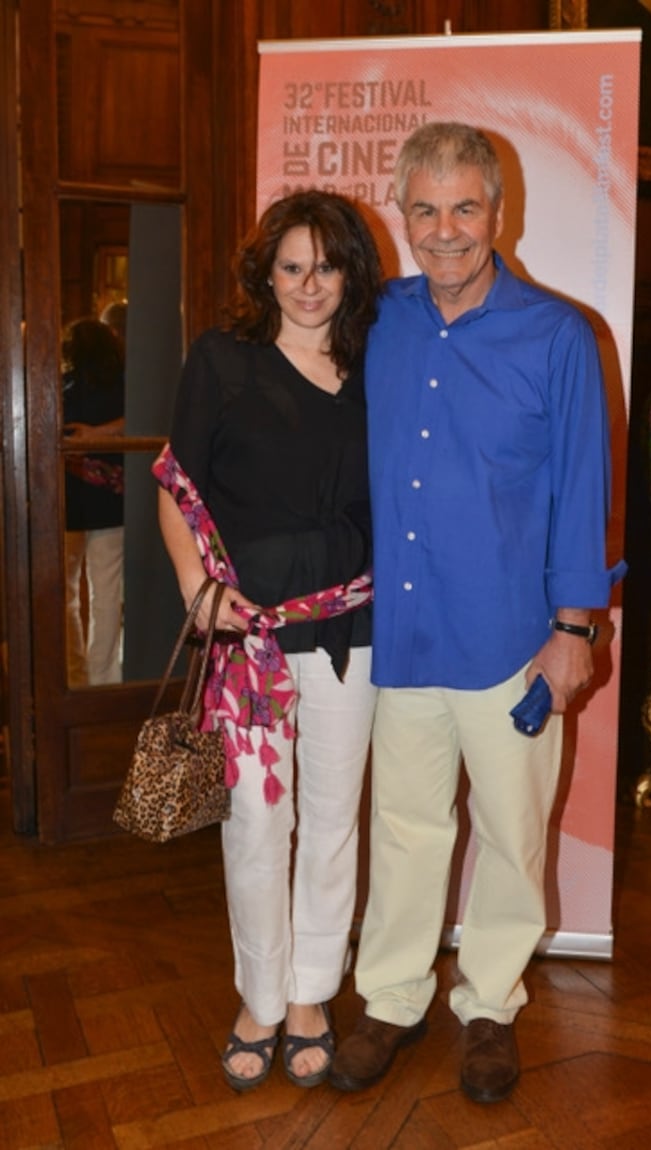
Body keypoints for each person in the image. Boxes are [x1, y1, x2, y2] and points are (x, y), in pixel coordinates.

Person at [328, 123, 625, 1104]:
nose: (445, 230)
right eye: (425, 209)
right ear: (401, 215)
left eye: (464, 207)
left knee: (509, 832)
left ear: (499, 213)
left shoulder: (556, 334)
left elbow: (583, 488)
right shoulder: (378, 318)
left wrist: (574, 629)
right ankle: (391, 997)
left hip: (512, 639)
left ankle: (488, 1003)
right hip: (404, 633)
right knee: (404, 826)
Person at [155, 190, 382, 1092]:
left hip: (351, 630)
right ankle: (259, 993)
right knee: (256, 822)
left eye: (326, 266)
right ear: (267, 273)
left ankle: (310, 994)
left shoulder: (378, 365)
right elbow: (177, 485)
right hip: (246, 639)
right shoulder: (222, 360)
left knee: (330, 823)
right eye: (291, 266)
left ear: (350, 273)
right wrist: (195, 586)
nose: (308, 285)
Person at [62, 316, 126, 686]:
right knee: (106, 596)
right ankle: (102, 683)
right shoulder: (123, 384)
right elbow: (142, 417)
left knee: (64, 595)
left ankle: (75, 677)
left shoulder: (62, 385)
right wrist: (102, 434)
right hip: (111, 502)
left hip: (65, 503)